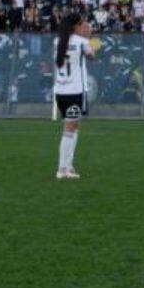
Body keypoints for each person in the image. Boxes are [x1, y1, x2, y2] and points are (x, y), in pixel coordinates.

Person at [53, 13, 95, 179]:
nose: (84, 26)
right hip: (74, 91)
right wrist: (90, 38)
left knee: (73, 127)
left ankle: (68, 166)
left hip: (60, 91)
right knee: (69, 129)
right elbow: (92, 55)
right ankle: (63, 168)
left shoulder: (57, 41)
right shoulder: (81, 42)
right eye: (81, 24)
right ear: (75, 27)